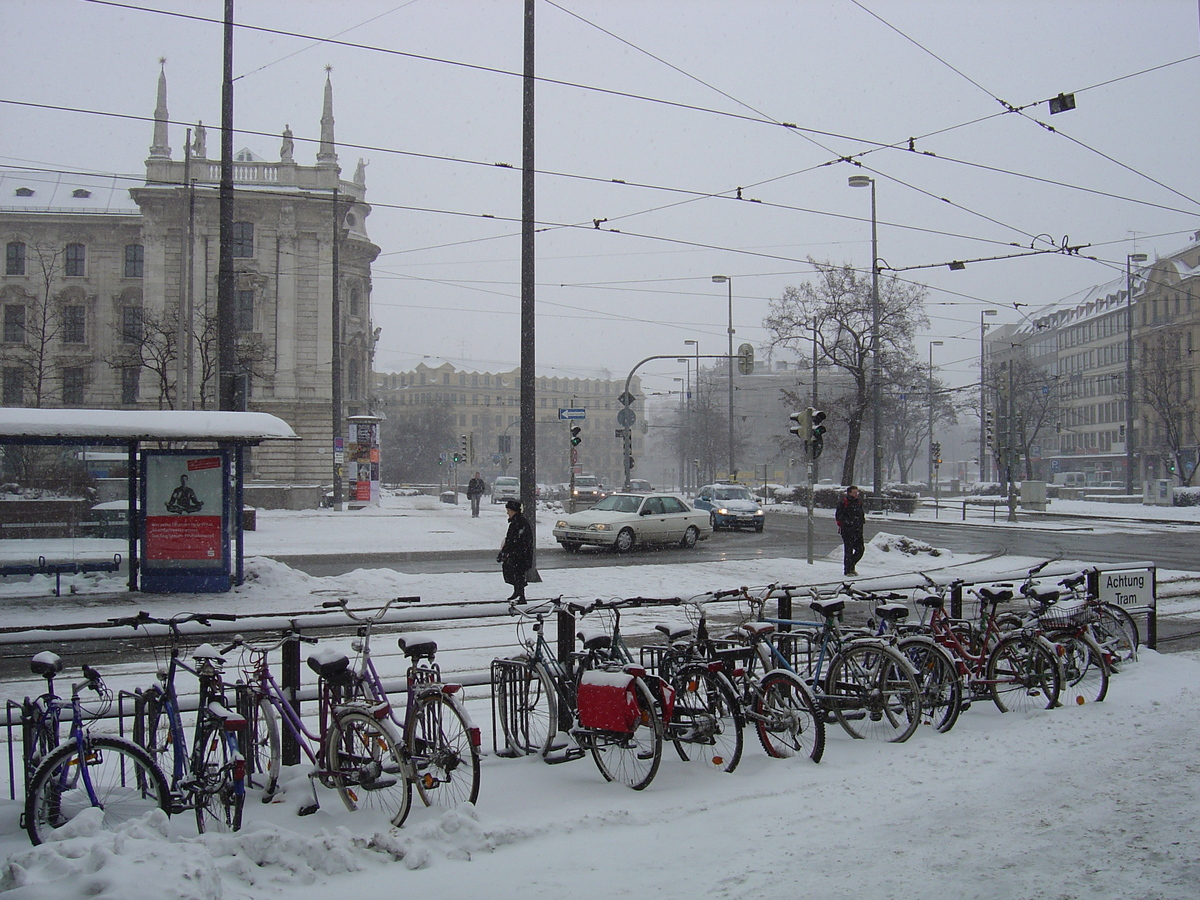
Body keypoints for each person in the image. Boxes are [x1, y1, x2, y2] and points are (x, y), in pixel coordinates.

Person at [497, 499, 533, 602]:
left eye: (509, 510)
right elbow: (511, 539)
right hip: (518, 554)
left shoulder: (519, 522)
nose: (507, 512)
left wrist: (506, 551)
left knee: (517, 574)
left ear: (514, 511)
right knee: (515, 573)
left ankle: (521, 595)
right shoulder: (517, 522)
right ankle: (518, 592)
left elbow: (514, 540)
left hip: (520, 555)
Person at [835, 484, 865, 577]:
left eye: (857, 492)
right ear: (849, 493)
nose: (856, 494)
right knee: (848, 550)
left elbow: (860, 514)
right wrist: (848, 523)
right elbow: (839, 516)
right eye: (854, 492)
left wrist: (861, 522)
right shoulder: (844, 502)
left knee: (860, 549)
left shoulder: (858, 502)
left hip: (858, 530)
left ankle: (851, 565)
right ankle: (848, 570)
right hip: (848, 530)